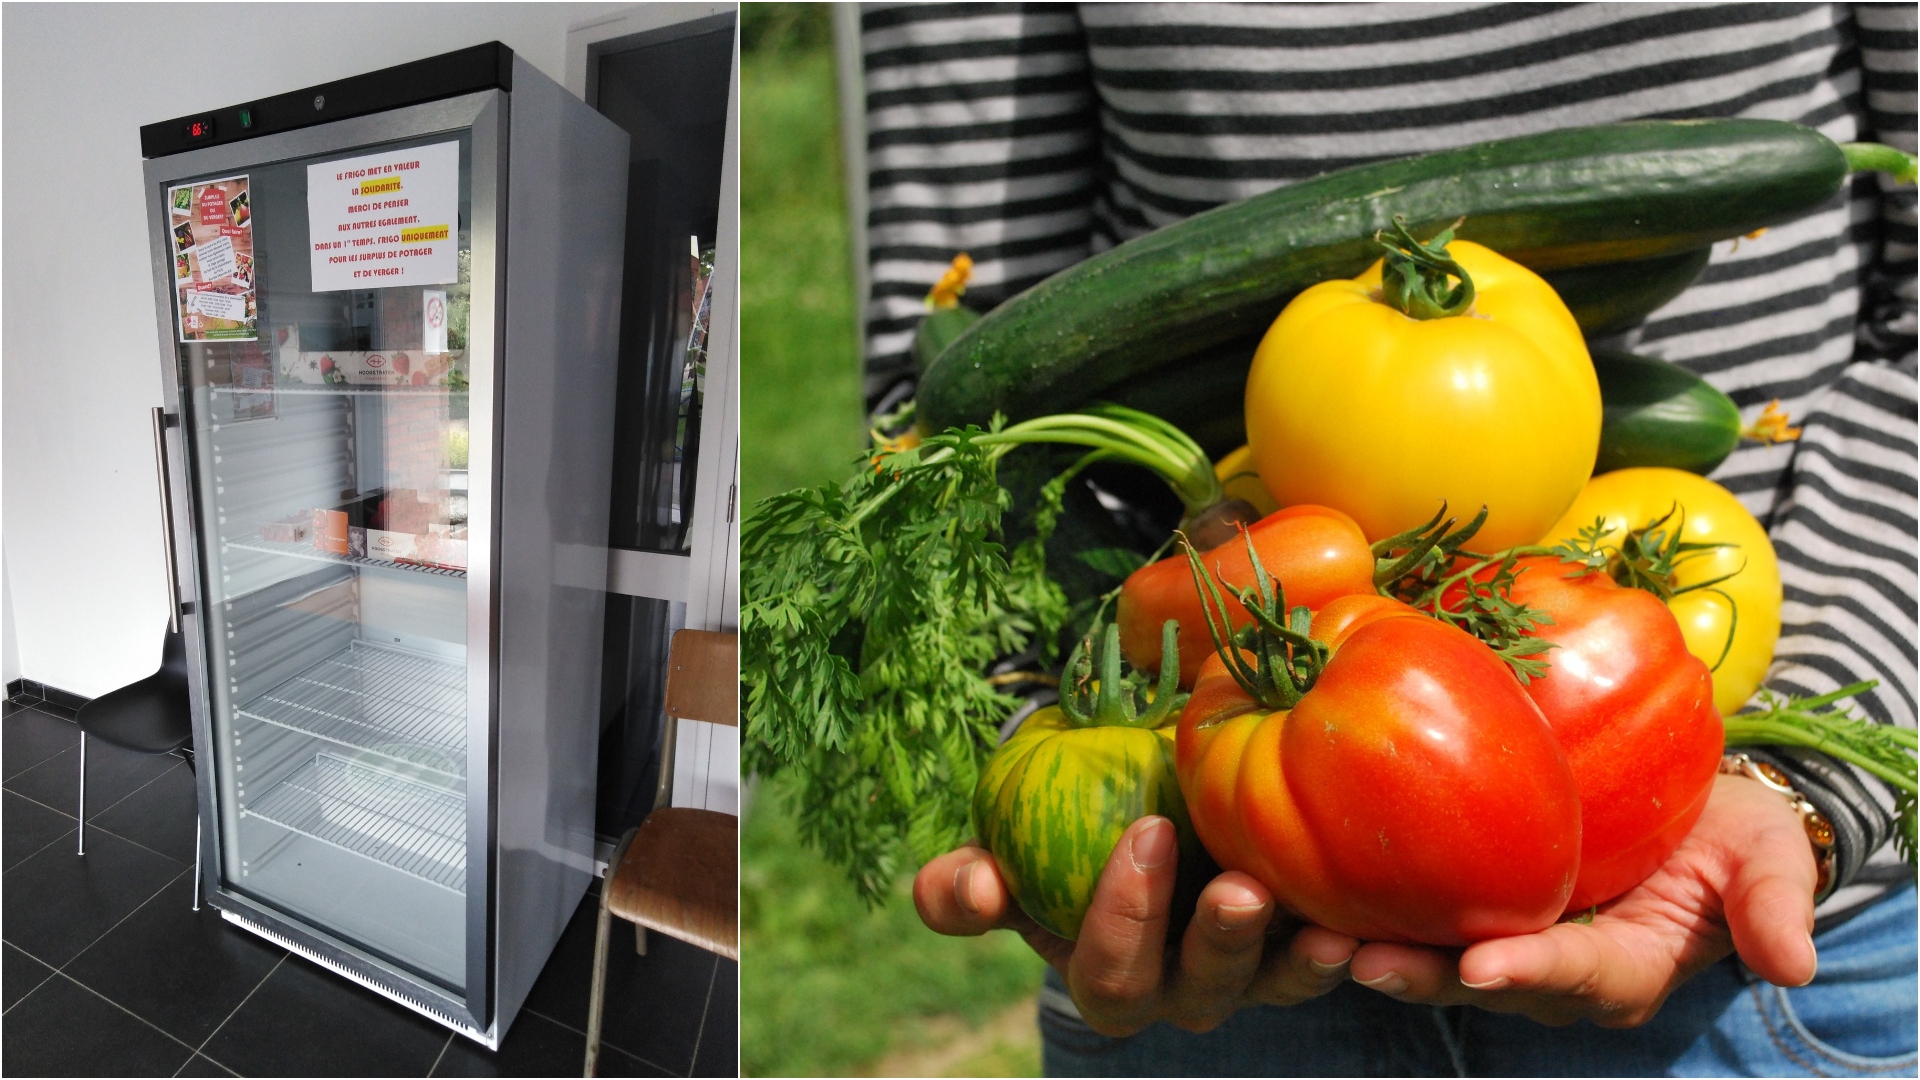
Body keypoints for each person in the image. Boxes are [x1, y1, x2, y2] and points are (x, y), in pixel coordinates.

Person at [853, 4, 1917, 1075]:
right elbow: (948, 408)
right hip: (1212, 880)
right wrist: (1070, 774)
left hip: (1756, 935)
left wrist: (1804, 781)